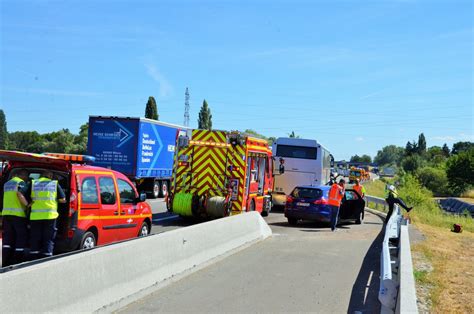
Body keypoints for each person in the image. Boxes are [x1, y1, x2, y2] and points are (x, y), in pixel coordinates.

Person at [29, 170, 66, 260]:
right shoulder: (54, 183)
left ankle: (33, 255)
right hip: (50, 215)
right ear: (50, 175)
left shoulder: (33, 183)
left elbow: (24, 195)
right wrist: (55, 200)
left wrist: (28, 204)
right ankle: (47, 256)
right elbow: (63, 199)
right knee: (48, 237)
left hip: (35, 216)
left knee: (35, 236)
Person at [1, 169, 31, 266]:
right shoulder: (21, 182)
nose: (27, 178)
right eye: (26, 176)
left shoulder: (6, 184)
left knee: (8, 238)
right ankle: (17, 260)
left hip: (6, 215)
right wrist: (27, 205)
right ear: (22, 175)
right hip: (18, 215)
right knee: (20, 237)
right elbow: (20, 194)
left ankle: (5, 260)